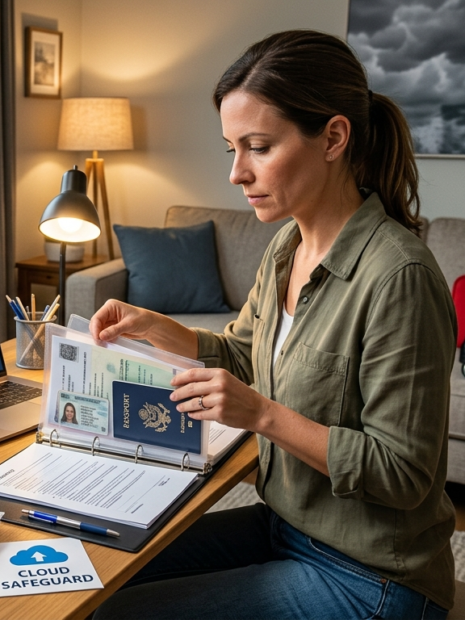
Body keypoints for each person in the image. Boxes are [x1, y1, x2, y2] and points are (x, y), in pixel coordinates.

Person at [91, 30, 455, 620]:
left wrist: (262, 415)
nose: (237, 173)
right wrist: (154, 325)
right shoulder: (287, 245)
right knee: (103, 571)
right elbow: (239, 356)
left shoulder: (398, 277)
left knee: (121, 614)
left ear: (334, 137)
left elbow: (403, 473)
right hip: (287, 524)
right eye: (231, 148)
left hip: (373, 575)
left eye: (258, 146)